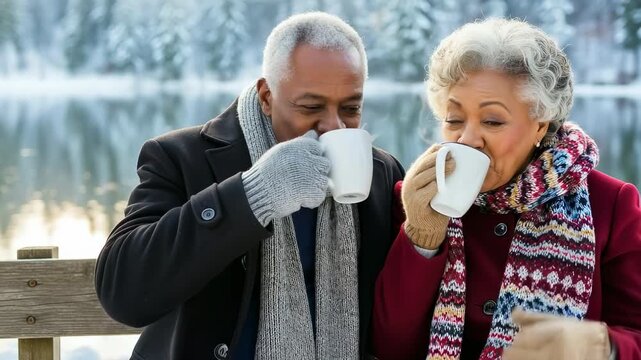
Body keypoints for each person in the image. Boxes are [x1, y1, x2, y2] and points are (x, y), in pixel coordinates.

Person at [95, 12, 405, 360]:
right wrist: (254, 194)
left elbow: (403, 312)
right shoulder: (182, 158)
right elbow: (123, 293)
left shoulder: (380, 173)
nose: (334, 127)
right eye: (310, 106)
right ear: (267, 96)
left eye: (350, 108)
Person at [371, 18, 641, 360]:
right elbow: (389, 346)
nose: (467, 139)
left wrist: (603, 347)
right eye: (454, 120)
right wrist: (422, 234)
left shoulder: (609, 205)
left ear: (540, 123)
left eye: (492, 121)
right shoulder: (419, 200)